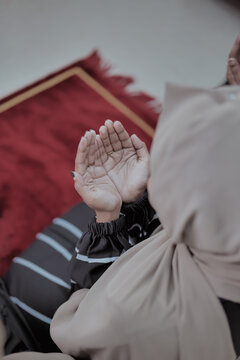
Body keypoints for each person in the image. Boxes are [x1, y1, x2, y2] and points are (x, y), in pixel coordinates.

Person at [1, 34, 240, 359]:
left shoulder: (125, 322)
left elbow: (85, 321)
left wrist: (109, 220)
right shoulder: (223, 237)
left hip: (29, 322)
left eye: (168, 176)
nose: (154, 184)